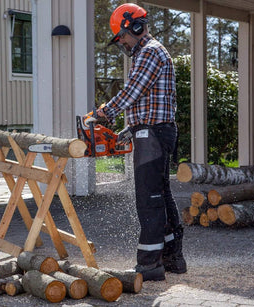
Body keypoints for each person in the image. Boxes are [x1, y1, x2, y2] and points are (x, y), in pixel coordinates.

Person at [94, 3, 186, 281]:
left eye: (121, 35)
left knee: (149, 199)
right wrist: (129, 128)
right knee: (161, 194)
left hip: (154, 134)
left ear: (134, 26)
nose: (121, 41)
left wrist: (104, 113)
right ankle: (173, 258)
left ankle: (149, 263)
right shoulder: (150, 53)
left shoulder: (149, 52)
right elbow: (146, 103)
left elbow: (133, 91)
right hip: (153, 131)